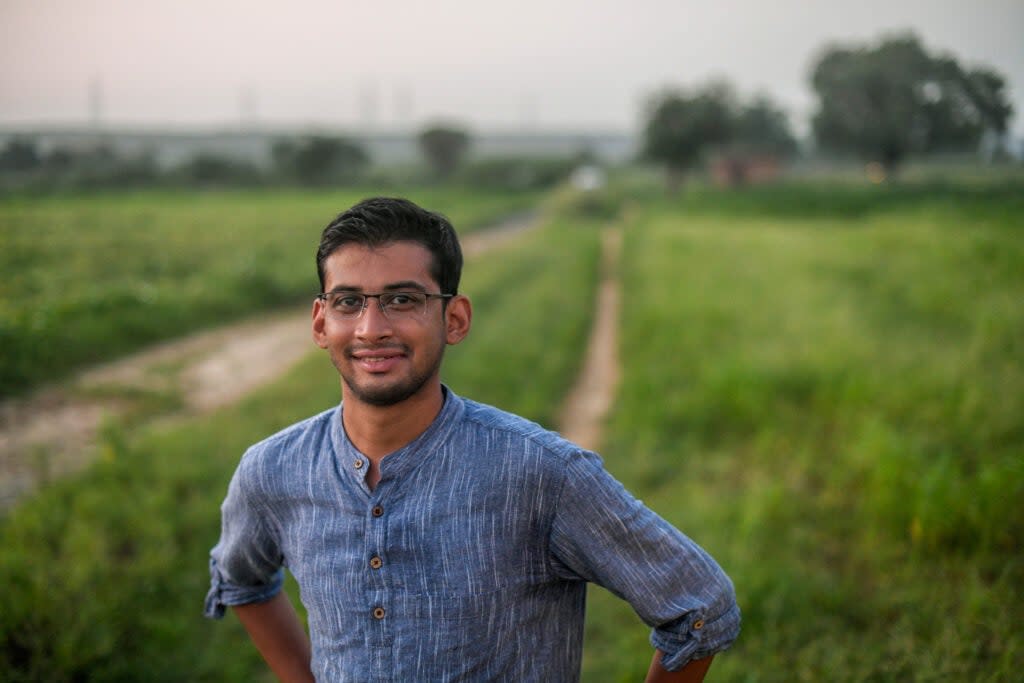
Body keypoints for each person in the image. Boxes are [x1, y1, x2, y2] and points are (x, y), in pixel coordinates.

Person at [205, 197, 740, 682]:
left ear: (454, 319)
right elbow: (242, 579)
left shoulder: (539, 474)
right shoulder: (273, 471)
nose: (371, 328)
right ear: (321, 323)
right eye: (349, 302)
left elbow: (699, 607)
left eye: (402, 300)